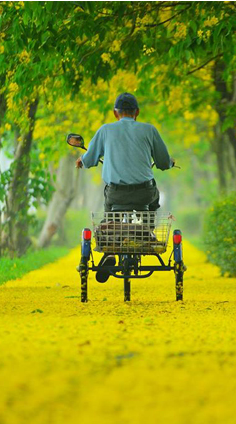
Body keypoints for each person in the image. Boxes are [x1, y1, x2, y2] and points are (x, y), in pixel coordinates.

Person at [76, 92, 174, 282]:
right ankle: (148, 232)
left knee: (109, 209)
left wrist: (82, 160)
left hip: (116, 195)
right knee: (153, 202)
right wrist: (169, 163)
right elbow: (162, 161)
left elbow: (90, 160)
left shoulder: (105, 130)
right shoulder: (149, 130)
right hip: (144, 194)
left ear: (115, 113)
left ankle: (111, 251)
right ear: (137, 112)